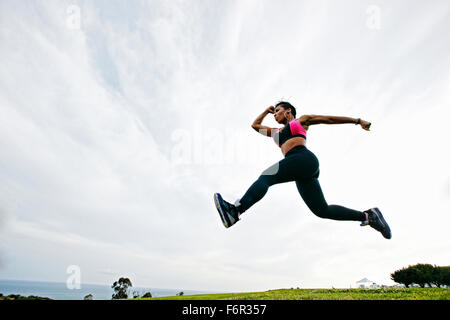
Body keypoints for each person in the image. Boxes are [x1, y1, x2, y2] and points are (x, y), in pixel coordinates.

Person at [213, 101, 391, 239]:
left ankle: (235, 211)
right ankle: (369, 216)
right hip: (300, 169)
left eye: (277, 111)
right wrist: (265, 111)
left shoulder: (301, 121)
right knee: (322, 210)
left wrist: (358, 121)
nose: (274, 115)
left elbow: (329, 119)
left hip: (303, 158)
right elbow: (255, 126)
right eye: (273, 112)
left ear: (288, 111)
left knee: (266, 177)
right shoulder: (276, 132)